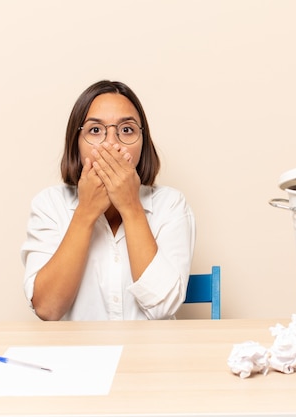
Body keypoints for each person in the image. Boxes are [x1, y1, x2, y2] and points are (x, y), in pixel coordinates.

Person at [20, 80, 195, 321]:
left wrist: (131, 207)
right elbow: (48, 309)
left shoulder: (171, 204)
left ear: (143, 144)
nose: (111, 144)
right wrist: (85, 212)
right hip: (78, 356)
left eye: (126, 130)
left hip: (150, 356)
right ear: (76, 143)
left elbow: (163, 307)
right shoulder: (49, 204)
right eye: (95, 131)